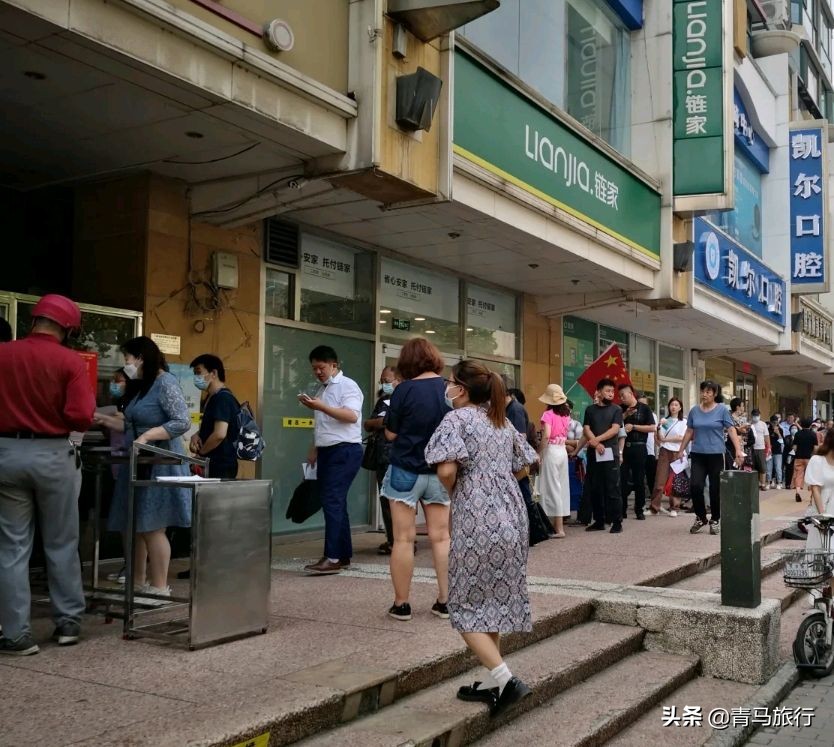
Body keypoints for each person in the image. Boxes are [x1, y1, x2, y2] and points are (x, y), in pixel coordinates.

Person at [425, 361, 537, 717]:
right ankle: (492, 678)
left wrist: (460, 487)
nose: (447, 387)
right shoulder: (500, 420)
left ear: (462, 389)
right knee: (493, 600)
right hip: (513, 515)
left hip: (477, 517)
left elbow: (445, 469)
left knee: (463, 604)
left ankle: (506, 679)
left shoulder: (456, 421)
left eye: (450, 382)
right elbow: (525, 464)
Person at [0, 295, 95, 655]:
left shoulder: (2, 354)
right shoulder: (69, 361)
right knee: (61, 542)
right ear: (67, 328)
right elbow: (81, 416)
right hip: (55, 455)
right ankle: (68, 622)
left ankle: (15, 634)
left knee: (11, 546)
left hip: (6, 454)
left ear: (33, 319)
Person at [95, 336, 192, 597]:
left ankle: (160, 588)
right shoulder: (142, 387)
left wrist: (149, 436)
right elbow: (129, 425)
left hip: (159, 461)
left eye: (127, 358)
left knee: (153, 524)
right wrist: (100, 419)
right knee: (134, 524)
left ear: (141, 358)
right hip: (136, 458)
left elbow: (181, 422)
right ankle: (136, 583)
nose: (125, 364)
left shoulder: (165, 383)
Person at [383, 338, 450, 621]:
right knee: (442, 537)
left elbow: (390, 434)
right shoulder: (450, 388)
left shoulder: (403, 390)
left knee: (403, 539)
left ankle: (402, 604)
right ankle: (446, 601)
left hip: (404, 470)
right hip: (440, 471)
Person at [299, 345, 364, 575]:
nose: (318, 372)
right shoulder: (322, 389)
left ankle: (333, 556)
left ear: (334, 365)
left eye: (321, 367)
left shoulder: (347, 386)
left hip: (344, 450)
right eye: (314, 368)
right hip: (328, 450)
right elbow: (324, 425)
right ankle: (342, 554)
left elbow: (351, 416)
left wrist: (320, 406)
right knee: (336, 501)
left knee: (332, 499)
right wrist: (315, 448)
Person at [677, 380, 744, 535]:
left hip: (716, 455)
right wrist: (681, 449)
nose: (705, 394)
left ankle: (715, 519)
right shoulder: (694, 411)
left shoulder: (721, 410)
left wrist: (738, 450)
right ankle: (701, 517)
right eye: (703, 391)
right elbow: (689, 431)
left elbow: (731, 430)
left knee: (715, 489)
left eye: (708, 392)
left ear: (714, 394)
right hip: (698, 454)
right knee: (695, 486)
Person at [504, 380, 551, 546]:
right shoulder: (510, 409)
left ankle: (536, 532)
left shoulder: (515, 410)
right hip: (518, 460)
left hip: (518, 461)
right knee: (525, 496)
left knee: (525, 497)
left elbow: (520, 437)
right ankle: (537, 531)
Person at [363, 366, 399, 555]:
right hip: (381, 457)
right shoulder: (383, 401)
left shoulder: (406, 401)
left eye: (387, 380)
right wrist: (384, 422)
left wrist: (385, 422)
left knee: (398, 502)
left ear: (398, 380)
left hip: (398, 458)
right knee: (385, 500)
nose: (384, 384)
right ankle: (392, 539)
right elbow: (368, 424)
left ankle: (400, 541)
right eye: (382, 381)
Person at [583, 378, 625, 534]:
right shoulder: (590, 410)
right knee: (595, 487)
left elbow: (615, 430)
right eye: (607, 391)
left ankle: (617, 522)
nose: (610, 394)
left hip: (609, 453)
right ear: (599, 392)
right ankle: (599, 520)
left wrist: (597, 440)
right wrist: (594, 444)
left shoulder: (616, 410)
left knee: (612, 488)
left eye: (612, 391)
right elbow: (586, 428)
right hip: (594, 453)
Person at [189, 354, 240, 479]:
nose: (196, 378)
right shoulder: (212, 398)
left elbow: (219, 434)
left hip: (221, 466)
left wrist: (201, 454)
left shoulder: (223, 398)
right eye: (195, 374)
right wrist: (197, 434)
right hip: (215, 464)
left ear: (213, 373)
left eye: (199, 372)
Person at [536, 384, 571, 537]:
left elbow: (546, 435)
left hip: (551, 451)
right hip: (562, 450)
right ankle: (559, 526)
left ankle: (557, 528)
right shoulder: (566, 414)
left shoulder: (547, 415)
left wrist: (539, 453)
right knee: (562, 488)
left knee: (551, 488)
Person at [618, 385, 655, 520]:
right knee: (622, 479)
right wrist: (625, 415)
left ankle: (639, 509)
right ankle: (621, 510)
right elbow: (614, 424)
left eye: (623, 395)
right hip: (624, 447)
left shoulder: (644, 408)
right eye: (620, 396)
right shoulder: (620, 409)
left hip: (639, 447)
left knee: (639, 479)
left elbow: (652, 428)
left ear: (630, 393)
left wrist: (634, 426)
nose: (621, 398)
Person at [649, 397, 687, 516]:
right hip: (665, 451)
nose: (673, 407)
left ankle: (674, 507)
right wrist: (659, 428)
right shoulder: (665, 420)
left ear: (680, 407)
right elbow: (660, 438)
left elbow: (682, 438)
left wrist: (667, 439)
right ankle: (654, 507)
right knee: (660, 479)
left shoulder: (683, 422)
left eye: (676, 405)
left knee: (675, 480)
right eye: (671, 405)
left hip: (677, 452)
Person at [804, 430, 834, 564]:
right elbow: (815, 488)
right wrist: (822, 516)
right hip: (825, 510)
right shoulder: (817, 460)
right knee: (825, 550)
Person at [792, 418, 818, 504]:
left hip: (799, 457)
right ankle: (812, 495)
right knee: (811, 476)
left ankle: (798, 492)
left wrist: (797, 451)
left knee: (798, 475)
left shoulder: (797, 434)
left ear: (801, 424)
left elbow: (795, 447)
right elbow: (815, 448)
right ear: (810, 425)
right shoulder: (813, 434)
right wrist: (813, 455)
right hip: (809, 458)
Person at [640, 396, 658, 508]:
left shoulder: (653, 416)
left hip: (649, 450)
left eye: (643, 404)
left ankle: (653, 501)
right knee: (640, 477)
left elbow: (654, 430)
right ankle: (640, 501)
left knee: (651, 477)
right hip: (638, 450)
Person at [749, 409, 770, 490]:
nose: (755, 417)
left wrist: (769, 447)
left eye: (757, 415)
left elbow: (766, 436)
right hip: (751, 448)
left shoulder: (763, 424)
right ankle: (755, 484)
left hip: (761, 448)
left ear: (759, 415)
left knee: (762, 467)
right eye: (754, 415)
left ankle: (763, 484)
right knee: (752, 467)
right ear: (751, 416)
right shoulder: (749, 424)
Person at [767, 415, 784, 490]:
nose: (774, 423)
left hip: (778, 451)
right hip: (769, 451)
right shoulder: (768, 429)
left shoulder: (780, 429)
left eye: (776, 421)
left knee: (778, 468)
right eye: (773, 422)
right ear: (770, 422)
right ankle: (769, 482)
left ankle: (779, 482)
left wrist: (778, 433)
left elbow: (781, 441)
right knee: (769, 468)